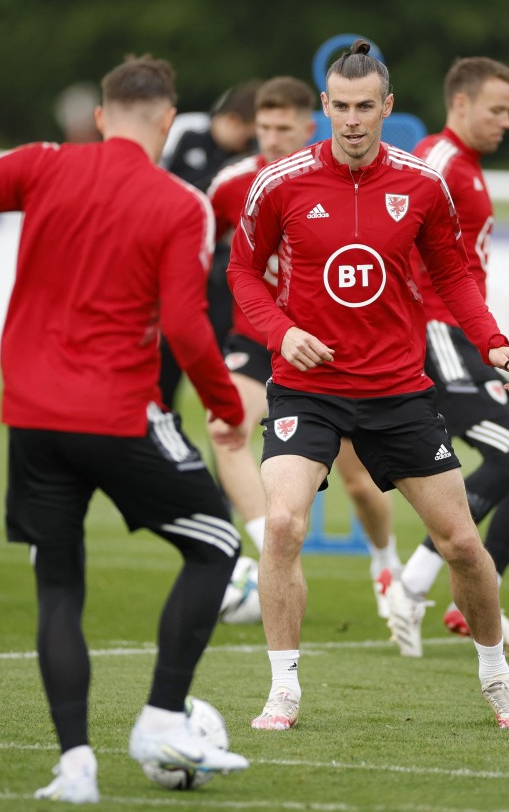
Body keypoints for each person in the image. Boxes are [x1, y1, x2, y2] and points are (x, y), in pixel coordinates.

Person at [0, 54, 250, 803]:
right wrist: (226, 410)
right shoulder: (181, 203)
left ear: (100, 117)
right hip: (121, 414)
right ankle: (162, 716)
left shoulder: (42, 164)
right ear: (167, 121)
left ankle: (75, 766)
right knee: (217, 543)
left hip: (31, 417)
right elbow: (190, 329)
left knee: (58, 586)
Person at [226, 39, 509, 732]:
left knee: (461, 541)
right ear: (325, 110)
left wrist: (493, 342)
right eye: (341, 107)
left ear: (387, 107)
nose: (354, 120)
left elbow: (452, 275)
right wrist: (281, 333)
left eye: (367, 106)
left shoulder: (423, 184)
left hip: (397, 389)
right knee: (281, 524)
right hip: (306, 385)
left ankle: (496, 677)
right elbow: (242, 271)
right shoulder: (279, 183)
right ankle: (283, 689)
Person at [376, 57, 509, 659]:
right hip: (435, 335)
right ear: (460, 104)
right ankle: (411, 585)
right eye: (497, 109)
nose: (507, 121)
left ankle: (482, 601)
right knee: (507, 456)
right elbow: (387, 231)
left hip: (467, 338)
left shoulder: (469, 167)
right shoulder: (438, 160)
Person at [206, 76, 400, 621]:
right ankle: (268, 546)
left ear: (307, 126)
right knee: (226, 426)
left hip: (331, 348)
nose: (270, 138)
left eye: (282, 128)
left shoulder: (334, 178)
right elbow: (201, 248)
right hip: (255, 337)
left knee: (362, 480)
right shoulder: (231, 184)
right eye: (262, 127)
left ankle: (386, 565)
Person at [158, 80, 261, 410]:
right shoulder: (186, 130)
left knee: (223, 374)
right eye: (248, 132)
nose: (251, 141)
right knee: (163, 370)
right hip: (175, 268)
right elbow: (167, 189)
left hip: (220, 276)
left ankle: (225, 449)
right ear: (232, 120)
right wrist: (223, 175)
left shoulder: (249, 157)